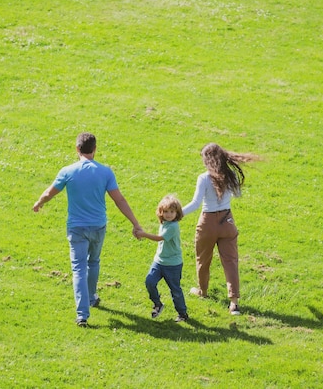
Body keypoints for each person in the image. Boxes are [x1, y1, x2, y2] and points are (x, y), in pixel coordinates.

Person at [33, 132, 142, 327]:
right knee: (94, 262)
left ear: (77, 149)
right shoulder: (105, 172)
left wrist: (39, 203)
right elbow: (119, 200)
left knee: (78, 269)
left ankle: (82, 314)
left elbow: (50, 192)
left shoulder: (68, 171)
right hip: (98, 226)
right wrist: (135, 223)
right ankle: (92, 297)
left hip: (76, 228)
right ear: (95, 149)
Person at [182, 143, 259, 315]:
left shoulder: (204, 178)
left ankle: (203, 291)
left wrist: (178, 214)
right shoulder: (229, 175)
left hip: (207, 222)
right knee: (231, 261)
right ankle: (234, 303)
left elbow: (195, 203)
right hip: (227, 221)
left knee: (203, 258)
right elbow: (238, 194)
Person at [137, 195, 189, 323]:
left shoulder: (173, 227)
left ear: (177, 213)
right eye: (165, 212)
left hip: (173, 264)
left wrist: (143, 234)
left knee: (175, 289)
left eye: (172, 212)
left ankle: (182, 313)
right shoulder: (164, 223)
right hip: (159, 261)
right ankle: (157, 304)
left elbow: (159, 238)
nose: (168, 215)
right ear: (161, 212)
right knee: (150, 281)